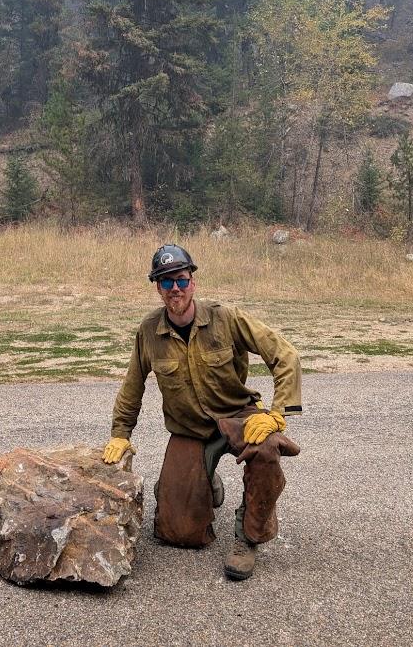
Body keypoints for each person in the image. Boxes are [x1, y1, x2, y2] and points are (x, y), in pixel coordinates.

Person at [102, 243, 302, 580]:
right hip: (190, 430)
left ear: (192, 281)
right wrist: (120, 435)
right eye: (166, 283)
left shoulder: (228, 318)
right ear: (158, 288)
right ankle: (200, 483)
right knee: (178, 533)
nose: (175, 289)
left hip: (238, 415)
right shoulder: (149, 331)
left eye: (180, 280)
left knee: (268, 448)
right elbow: (132, 387)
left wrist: (276, 414)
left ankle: (248, 537)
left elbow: (286, 356)